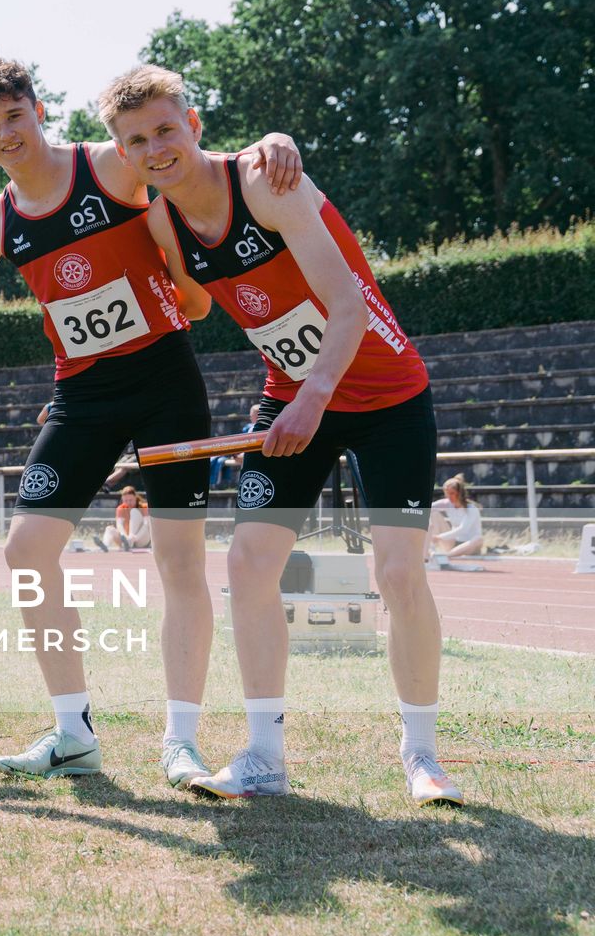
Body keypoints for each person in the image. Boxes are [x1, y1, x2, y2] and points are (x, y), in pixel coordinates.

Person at [0, 54, 302, 789]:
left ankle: (180, 741)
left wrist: (272, 141)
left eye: (14, 116)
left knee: (179, 566)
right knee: (26, 550)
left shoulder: (110, 167)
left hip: (165, 383)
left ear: (39, 109)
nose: (6, 134)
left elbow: (188, 159)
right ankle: (73, 732)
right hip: (83, 397)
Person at [101, 62, 462, 807]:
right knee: (250, 562)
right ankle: (265, 756)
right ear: (125, 155)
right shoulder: (163, 220)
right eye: (137, 140)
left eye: (167, 129)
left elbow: (348, 308)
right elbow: (194, 306)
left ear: (194, 125)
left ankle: (422, 756)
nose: (156, 147)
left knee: (398, 576)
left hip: (386, 393)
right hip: (289, 393)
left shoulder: (265, 183)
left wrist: (315, 400)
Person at [427, 476, 485, 570]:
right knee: (434, 514)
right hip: (453, 543)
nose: (449, 497)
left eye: (452, 493)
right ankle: (431, 551)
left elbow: (463, 529)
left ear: (459, 493)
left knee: (478, 539)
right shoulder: (446, 503)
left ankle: (446, 556)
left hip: (469, 545)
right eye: (447, 493)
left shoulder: (471, 509)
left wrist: (439, 537)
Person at [102, 485, 152, 553]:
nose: (128, 503)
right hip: (127, 541)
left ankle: (130, 541)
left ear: (135, 497)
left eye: (131, 500)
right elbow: (119, 525)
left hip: (141, 540)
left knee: (134, 511)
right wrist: (126, 538)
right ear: (122, 499)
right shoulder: (121, 508)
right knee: (109, 529)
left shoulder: (144, 507)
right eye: (125, 500)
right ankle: (105, 546)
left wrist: (135, 537)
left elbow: (146, 524)